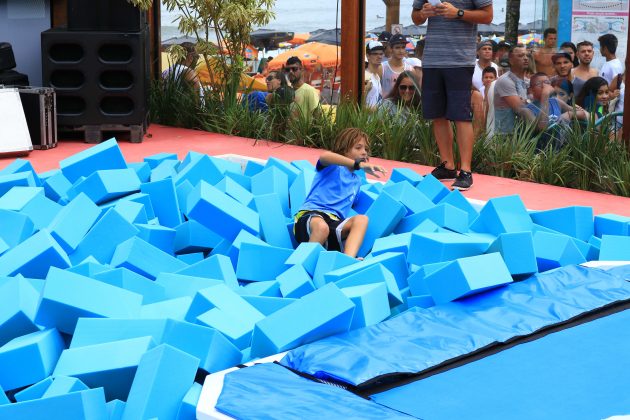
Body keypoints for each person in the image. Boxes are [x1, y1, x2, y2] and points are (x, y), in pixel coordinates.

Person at [411, 0, 493, 191]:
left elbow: (488, 16)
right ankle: (447, 166)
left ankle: (466, 171)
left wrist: (458, 13)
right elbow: (415, 18)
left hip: (460, 60)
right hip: (432, 60)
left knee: (460, 115)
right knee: (437, 115)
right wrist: (423, 13)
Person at [294, 128, 387, 258]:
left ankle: (347, 260)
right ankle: (303, 262)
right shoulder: (332, 167)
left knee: (362, 219)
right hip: (310, 219)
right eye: (358, 148)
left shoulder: (357, 181)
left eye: (365, 149)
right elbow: (325, 156)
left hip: (334, 225)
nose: (364, 152)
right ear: (344, 149)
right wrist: (357, 165)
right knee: (321, 228)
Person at [493, 45, 530, 134]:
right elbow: (520, 109)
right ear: (511, 61)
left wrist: (526, 101)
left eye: (527, 55)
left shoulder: (527, 81)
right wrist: (529, 101)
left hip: (523, 134)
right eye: (520, 56)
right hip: (506, 136)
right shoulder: (505, 80)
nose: (525, 58)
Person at [380, 34, 414, 98]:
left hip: (404, 106)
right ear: (391, 48)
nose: (401, 51)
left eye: (403, 47)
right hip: (385, 106)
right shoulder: (382, 68)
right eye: (397, 47)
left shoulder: (410, 69)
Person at [365, 41, 385, 108]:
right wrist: (376, 109)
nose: (379, 56)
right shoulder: (366, 76)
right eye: (375, 54)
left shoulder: (377, 76)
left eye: (381, 54)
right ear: (368, 56)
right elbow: (357, 104)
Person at [483, 66, 498, 135]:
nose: (488, 79)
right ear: (482, 79)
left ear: (496, 79)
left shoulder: (498, 93)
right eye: (486, 77)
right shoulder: (478, 92)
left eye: (491, 77)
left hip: (494, 127)